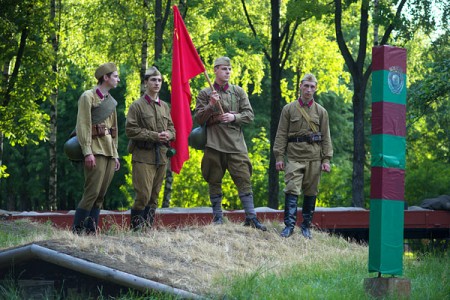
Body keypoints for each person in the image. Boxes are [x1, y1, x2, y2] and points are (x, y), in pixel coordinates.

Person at [194, 56, 266, 231]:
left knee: (244, 178)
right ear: (215, 70)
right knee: (213, 178)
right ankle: (218, 217)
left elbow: (249, 115)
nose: (227, 72)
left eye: (229, 69)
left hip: (236, 144)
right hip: (214, 143)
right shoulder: (205, 93)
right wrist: (211, 105)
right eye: (224, 68)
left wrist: (234, 117)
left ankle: (251, 217)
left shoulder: (238, 92)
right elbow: (198, 118)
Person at [273, 73, 333, 239]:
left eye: (312, 87)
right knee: (292, 188)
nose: (308, 90)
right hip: (294, 157)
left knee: (311, 191)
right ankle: (289, 226)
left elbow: (326, 137)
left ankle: (306, 227)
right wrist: (279, 157)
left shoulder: (321, 112)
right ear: (300, 86)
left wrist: (326, 159)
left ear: (316, 88)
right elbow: (281, 134)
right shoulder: (289, 109)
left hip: (314, 157)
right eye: (306, 86)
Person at [72, 62, 121, 234]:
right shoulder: (88, 97)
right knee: (91, 193)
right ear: (105, 78)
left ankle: (91, 232)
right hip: (95, 150)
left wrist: (115, 155)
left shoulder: (111, 102)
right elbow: (83, 125)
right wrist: (87, 152)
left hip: (108, 151)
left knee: (100, 195)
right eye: (115, 76)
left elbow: (114, 130)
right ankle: (77, 231)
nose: (118, 79)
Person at [125, 67, 176, 231]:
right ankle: (136, 230)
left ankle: (147, 230)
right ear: (146, 82)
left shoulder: (164, 106)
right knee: (143, 195)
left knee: (154, 197)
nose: (157, 83)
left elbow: (172, 129)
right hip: (143, 156)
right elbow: (130, 130)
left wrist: (168, 134)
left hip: (161, 156)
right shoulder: (137, 106)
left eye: (159, 80)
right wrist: (154, 136)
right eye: (153, 80)